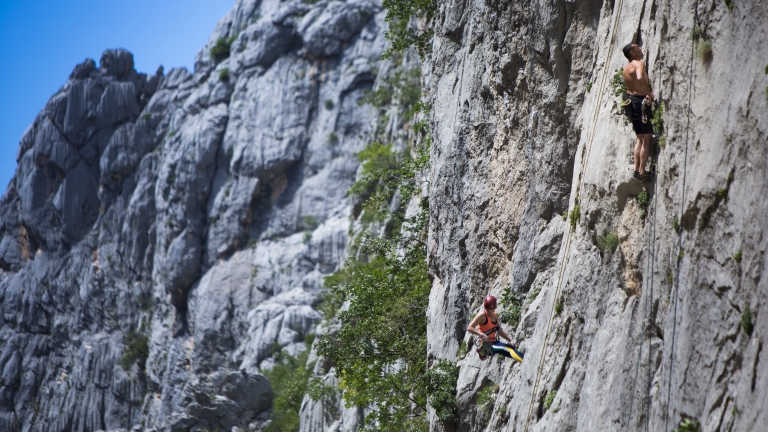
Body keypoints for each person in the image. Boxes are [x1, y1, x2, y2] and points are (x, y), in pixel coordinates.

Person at [622, 43, 654, 181]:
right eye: (637, 47)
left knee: (639, 138)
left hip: (630, 103)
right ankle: (642, 172)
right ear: (632, 53)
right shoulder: (638, 64)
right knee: (646, 138)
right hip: (640, 102)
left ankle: (636, 170)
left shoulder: (625, 69)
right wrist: (649, 94)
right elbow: (640, 78)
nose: (640, 48)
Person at [467, 295, 523, 362]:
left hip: (495, 342)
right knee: (508, 349)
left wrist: (510, 340)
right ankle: (524, 361)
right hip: (487, 345)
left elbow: (499, 330)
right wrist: (481, 334)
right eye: (488, 309)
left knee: (512, 349)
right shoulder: (482, 316)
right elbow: (469, 328)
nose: (488, 311)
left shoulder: (495, 315)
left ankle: (524, 359)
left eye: (490, 310)